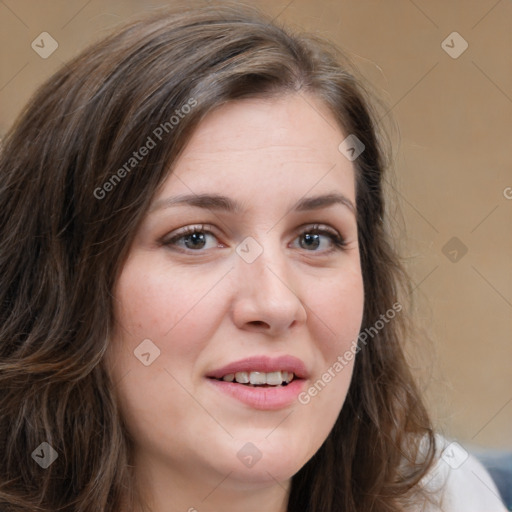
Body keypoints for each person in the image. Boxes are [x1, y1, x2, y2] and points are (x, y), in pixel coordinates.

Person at [0, 3, 506, 512]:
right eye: (195, 238)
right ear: (61, 281)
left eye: (315, 238)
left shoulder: (454, 495)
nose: (276, 303)